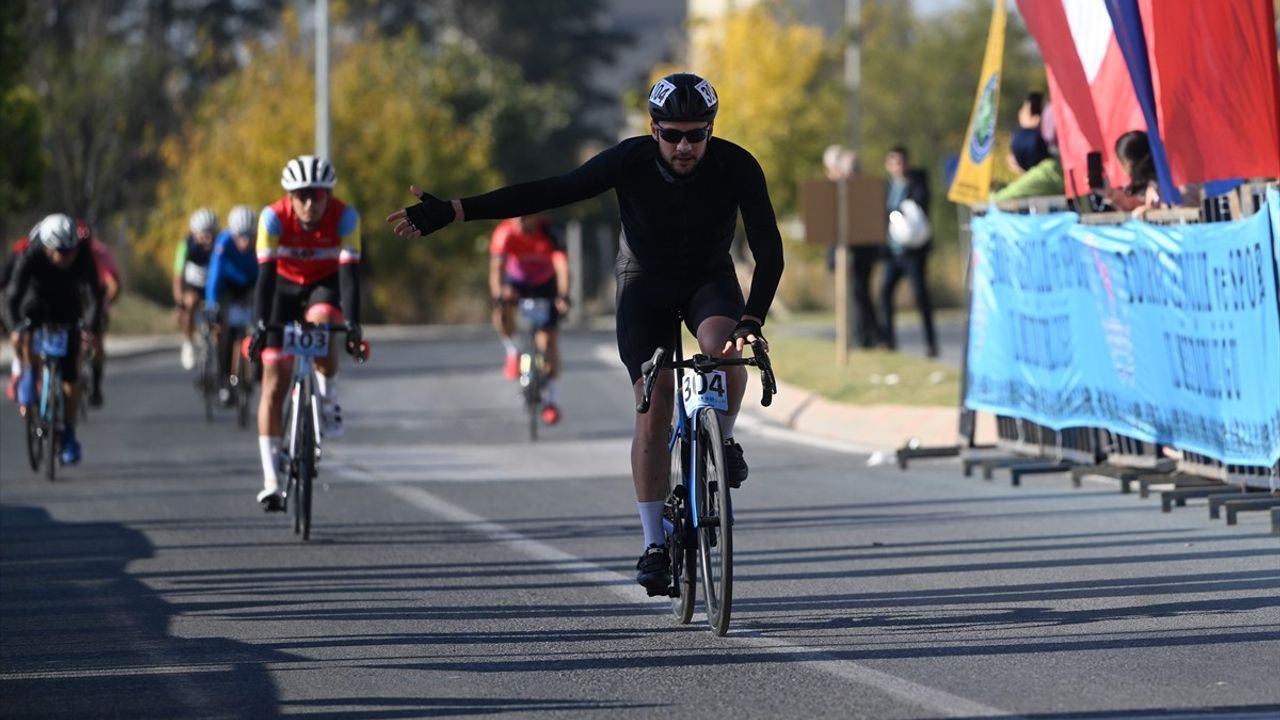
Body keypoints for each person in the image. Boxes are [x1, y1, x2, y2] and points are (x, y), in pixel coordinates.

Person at [386, 72, 784, 594]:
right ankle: (653, 544)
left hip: (710, 280)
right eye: (671, 134)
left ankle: (724, 437)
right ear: (652, 129)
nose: (684, 146)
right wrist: (457, 211)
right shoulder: (629, 161)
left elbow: (769, 250)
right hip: (644, 283)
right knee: (655, 398)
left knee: (722, 347)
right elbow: (551, 191)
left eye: (696, 134)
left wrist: (753, 318)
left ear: (711, 130)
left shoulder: (737, 165)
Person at [249, 155, 363, 512]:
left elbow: (349, 279)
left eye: (317, 195)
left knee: (324, 319)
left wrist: (354, 324)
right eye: (301, 196)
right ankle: (270, 481)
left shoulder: (346, 217)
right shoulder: (272, 218)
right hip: (282, 288)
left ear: (329, 195)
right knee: (273, 383)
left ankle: (327, 400)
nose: (310, 204)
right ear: (289, 197)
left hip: (323, 285)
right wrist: (259, 326)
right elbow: (264, 279)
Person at [5, 214, 104, 465]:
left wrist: (89, 330)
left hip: (67, 305)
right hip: (35, 299)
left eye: (72, 250)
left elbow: (94, 296)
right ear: (48, 249)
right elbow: (12, 297)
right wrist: (15, 328)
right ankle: (28, 374)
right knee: (26, 329)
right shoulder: (31, 253)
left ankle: (69, 433)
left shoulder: (81, 253)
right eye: (62, 251)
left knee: (71, 376)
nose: (68, 256)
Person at [489, 214, 571, 424]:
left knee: (548, 342)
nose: (519, 222)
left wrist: (563, 295)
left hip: (545, 284)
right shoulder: (504, 232)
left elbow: (562, 267)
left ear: (536, 217)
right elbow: (496, 268)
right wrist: (498, 296)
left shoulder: (551, 232)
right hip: (517, 282)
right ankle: (512, 351)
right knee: (501, 311)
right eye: (516, 218)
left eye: (525, 218)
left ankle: (551, 400)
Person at [879, 145, 938, 358]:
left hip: (914, 252)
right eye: (894, 162)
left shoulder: (918, 182)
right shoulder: (885, 186)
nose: (899, 166)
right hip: (892, 253)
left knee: (921, 296)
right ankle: (889, 339)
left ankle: (931, 342)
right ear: (888, 165)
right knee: (884, 294)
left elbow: (920, 206)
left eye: (902, 161)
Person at [822, 144, 881, 348]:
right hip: (850, 251)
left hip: (860, 252)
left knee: (860, 293)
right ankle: (863, 336)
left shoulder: (858, 192)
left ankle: (868, 336)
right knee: (856, 295)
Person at [206, 204, 260, 406]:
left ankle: (257, 368)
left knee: (260, 322)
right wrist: (212, 306)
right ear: (232, 233)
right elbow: (214, 276)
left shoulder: (261, 241)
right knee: (226, 332)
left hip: (251, 285)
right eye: (240, 236)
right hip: (228, 286)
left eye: (249, 236)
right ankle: (225, 380)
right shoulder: (223, 242)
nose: (245, 242)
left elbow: (267, 274)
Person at [75, 219, 120, 406]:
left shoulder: (100, 252)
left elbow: (113, 284)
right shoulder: (66, 251)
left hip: (96, 295)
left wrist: (105, 303)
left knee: (97, 341)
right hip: (74, 294)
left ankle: (96, 386)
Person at [174, 208, 218, 370]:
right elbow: (178, 277)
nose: (207, 240)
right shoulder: (185, 246)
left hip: (214, 286)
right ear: (194, 234)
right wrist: (180, 302)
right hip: (193, 286)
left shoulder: (220, 245)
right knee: (190, 302)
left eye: (210, 234)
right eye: (202, 235)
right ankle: (188, 342)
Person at [1, 230, 35, 402]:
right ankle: (18, 373)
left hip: (38, 304)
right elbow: (4, 279)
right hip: (20, 304)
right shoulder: (21, 250)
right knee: (21, 338)